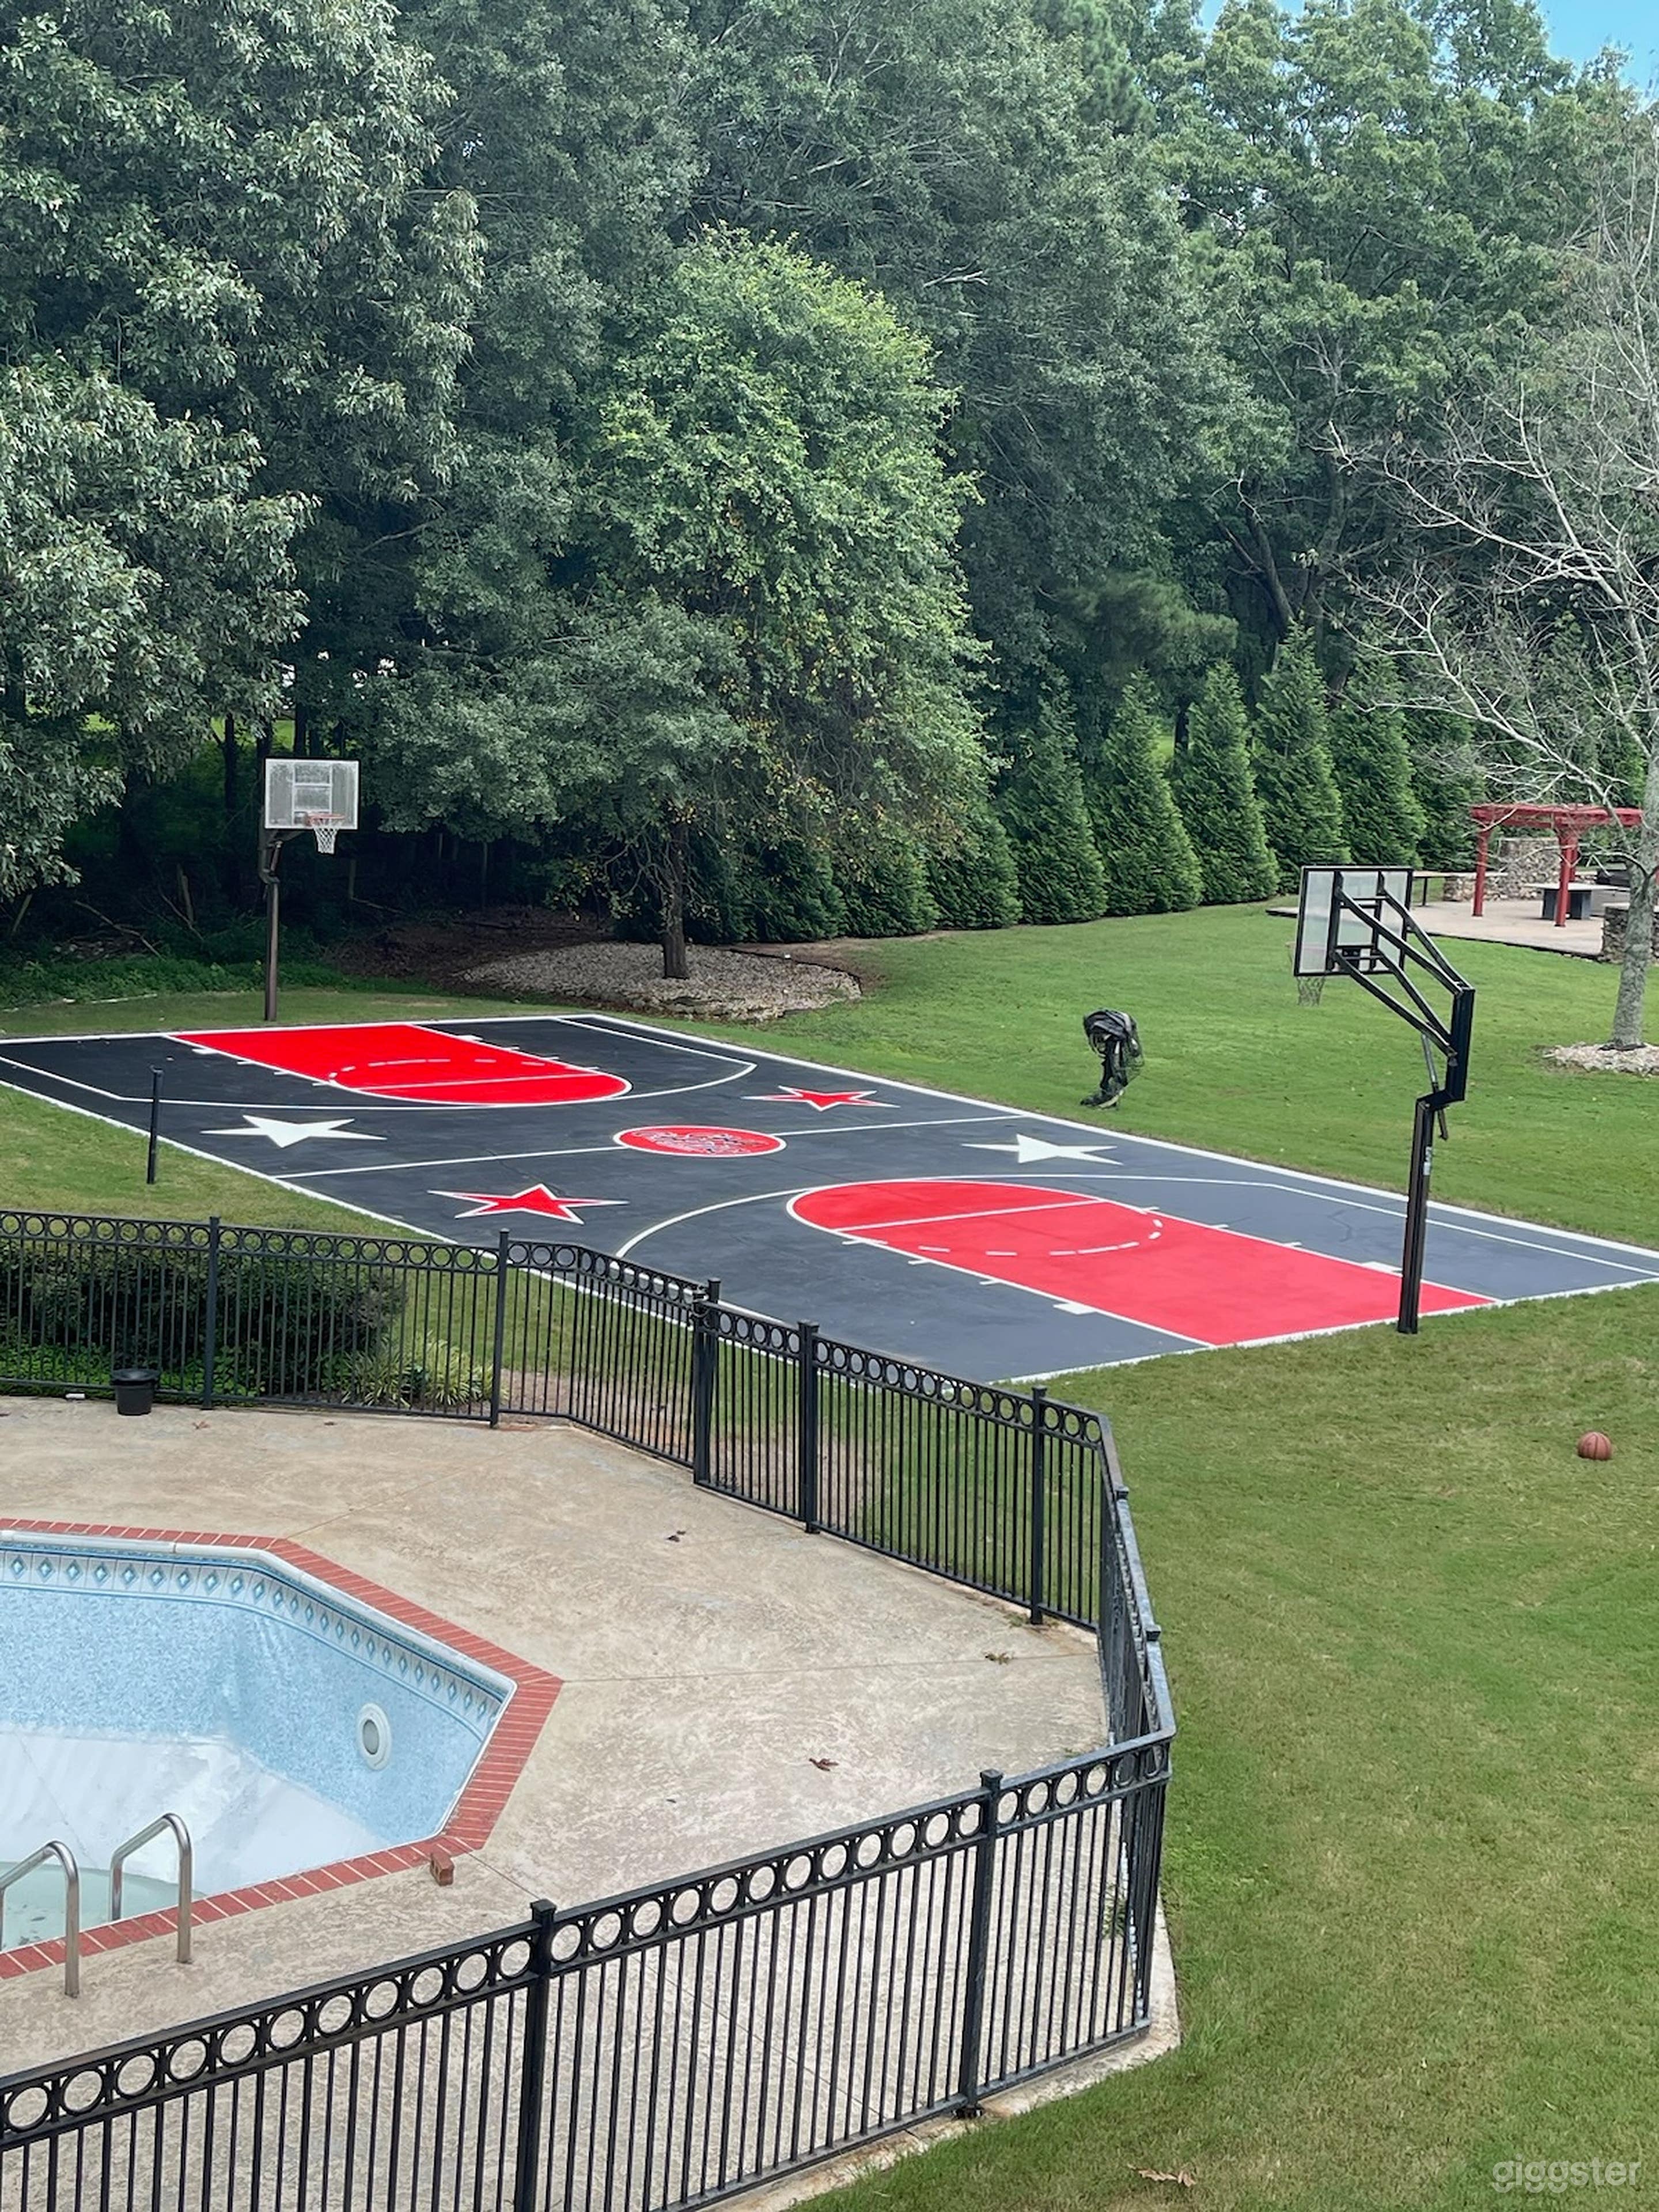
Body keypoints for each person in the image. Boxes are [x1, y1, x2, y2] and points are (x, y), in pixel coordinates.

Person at [1081, 1008, 1142, 1107]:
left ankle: (1109, 1095)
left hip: (1117, 1038)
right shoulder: (1100, 1026)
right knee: (1111, 1066)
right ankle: (1108, 1091)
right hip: (1118, 1036)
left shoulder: (1113, 1034)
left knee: (1114, 1067)